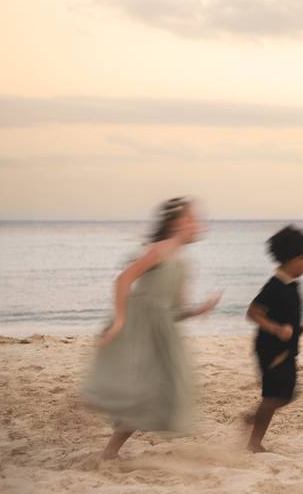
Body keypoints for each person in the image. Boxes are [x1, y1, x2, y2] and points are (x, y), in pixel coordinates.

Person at [83, 197, 221, 459]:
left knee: (153, 395)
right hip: (137, 330)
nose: (198, 225)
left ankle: (110, 451)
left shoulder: (184, 262)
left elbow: (174, 311)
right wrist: (121, 319)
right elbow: (123, 280)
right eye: (193, 220)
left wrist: (200, 309)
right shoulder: (160, 250)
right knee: (139, 392)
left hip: (161, 335)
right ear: (178, 223)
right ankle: (109, 450)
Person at [244, 225, 303, 452]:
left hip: (286, 348)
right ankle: (254, 442)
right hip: (272, 350)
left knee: (287, 393)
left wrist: (302, 327)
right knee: (274, 396)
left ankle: (253, 418)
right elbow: (253, 313)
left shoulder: (292, 285)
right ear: (293, 259)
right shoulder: (274, 286)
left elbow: (287, 317)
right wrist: (275, 329)